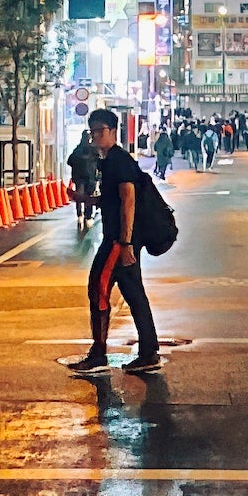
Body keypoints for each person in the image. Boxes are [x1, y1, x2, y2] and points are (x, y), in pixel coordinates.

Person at [68, 105, 163, 381]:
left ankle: (99, 355)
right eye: (92, 131)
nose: (95, 137)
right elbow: (112, 201)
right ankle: (149, 353)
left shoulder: (118, 161)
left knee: (97, 288)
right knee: (134, 295)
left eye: (100, 131)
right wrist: (84, 201)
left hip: (117, 241)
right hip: (121, 240)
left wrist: (125, 242)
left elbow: (128, 200)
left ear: (113, 131)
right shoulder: (110, 160)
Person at [67, 124, 99, 231]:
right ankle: (88, 215)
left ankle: (79, 213)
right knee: (89, 197)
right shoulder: (93, 150)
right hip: (90, 177)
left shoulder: (77, 150)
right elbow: (100, 162)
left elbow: (69, 161)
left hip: (79, 178)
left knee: (79, 196)